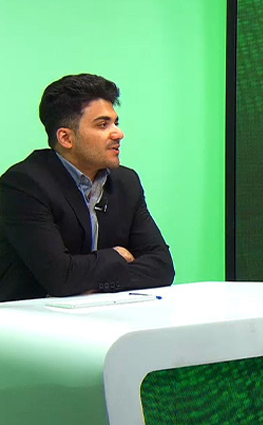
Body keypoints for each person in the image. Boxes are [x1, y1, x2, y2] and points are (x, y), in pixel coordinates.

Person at [0, 74, 173, 302]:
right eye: (102, 125)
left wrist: (93, 284)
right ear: (66, 138)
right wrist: (116, 256)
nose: (118, 133)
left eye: (116, 123)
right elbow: (60, 277)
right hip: (29, 318)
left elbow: (161, 266)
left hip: (100, 314)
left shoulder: (126, 182)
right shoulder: (24, 185)